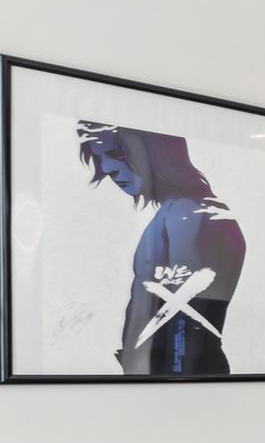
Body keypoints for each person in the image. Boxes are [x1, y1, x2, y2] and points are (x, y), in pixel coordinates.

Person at [77, 122, 244, 376]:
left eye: (117, 155)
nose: (108, 169)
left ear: (159, 154)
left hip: (177, 380)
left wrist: (164, 386)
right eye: (101, 159)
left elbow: (186, 324)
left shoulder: (190, 214)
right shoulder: (181, 212)